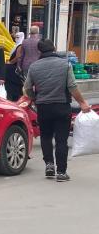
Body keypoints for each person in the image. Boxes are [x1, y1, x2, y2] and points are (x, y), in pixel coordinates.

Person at [24, 39, 92, 182]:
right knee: (61, 140)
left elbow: (27, 88)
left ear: (39, 51)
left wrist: (35, 99)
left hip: (43, 107)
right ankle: (61, 172)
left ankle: (49, 164)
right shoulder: (64, 64)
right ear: (54, 48)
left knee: (46, 137)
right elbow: (72, 86)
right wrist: (82, 103)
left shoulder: (34, 67)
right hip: (62, 106)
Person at [4, 32, 26, 101]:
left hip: (13, 70)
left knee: (14, 89)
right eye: (15, 37)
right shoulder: (16, 46)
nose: (16, 39)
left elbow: (18, 57)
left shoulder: (20, 46)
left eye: (18, 37)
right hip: (12, 70)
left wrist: (10, 62)